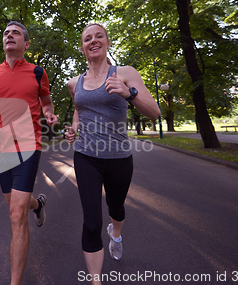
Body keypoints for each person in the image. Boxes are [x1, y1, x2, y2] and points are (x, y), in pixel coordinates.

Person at [64, 23, 160, 285]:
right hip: (86, 157)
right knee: (92, 222)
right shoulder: (75, 83)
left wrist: (129, 94)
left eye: (98, 36)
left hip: (119, 158)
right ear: (82, 47)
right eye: (87, 38)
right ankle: (96, 281)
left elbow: (154, 112)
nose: (93, 41)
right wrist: (73, 130)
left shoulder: (125, 73)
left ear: (107, 42)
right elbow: (78, 110)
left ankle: (115, 235)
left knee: (115, 207)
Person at [0, 21, 58, 285]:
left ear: (26, 43)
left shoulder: (37, 73)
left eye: (16, 33)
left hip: (28, 146)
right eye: (6, 33)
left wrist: (49, 114)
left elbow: (46, 102)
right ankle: (39, 204)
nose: (9, 35)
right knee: (16, 206)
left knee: (15, 214)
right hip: (1, 150)